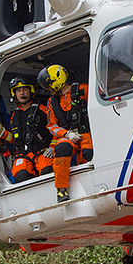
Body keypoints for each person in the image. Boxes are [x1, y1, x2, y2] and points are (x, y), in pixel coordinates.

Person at [38, 64, 93, 202]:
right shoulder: (52, 102)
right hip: (68, 136)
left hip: (86, 134)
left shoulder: (83, 89)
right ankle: (61, 189)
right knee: (61, 148)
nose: (48, 89)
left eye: (48, 85)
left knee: (87, 153)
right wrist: (66, 134)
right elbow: (51, 125)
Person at [4, 76, 53, 182]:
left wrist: (52, 147)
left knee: (48, 172)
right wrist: (1, 132)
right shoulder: (14, 116)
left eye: (25, 89)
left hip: (42, 152)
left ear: (31, 91)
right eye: (18, 90)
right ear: (14, 94)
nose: (22, 93)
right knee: (21, 176)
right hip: (23, 155)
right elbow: (14, 139)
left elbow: (55, 129)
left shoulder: (43, 110)